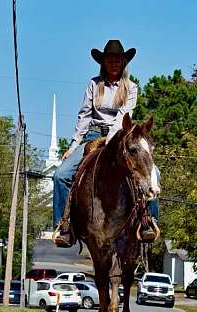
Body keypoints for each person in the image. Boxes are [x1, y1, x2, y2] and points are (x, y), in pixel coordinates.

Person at [52, 39, 158, 247]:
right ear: (103, 62)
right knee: (61, 175)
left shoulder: (131, 87)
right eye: (109, 59)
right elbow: (84, 116)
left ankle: (148, 222)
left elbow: (122, 117)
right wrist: (73, 146)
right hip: (92, 135)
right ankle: (64, 225)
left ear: (123, 62)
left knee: (156, 174)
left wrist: (111, 142)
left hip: (119, 137)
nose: (113, 63)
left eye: (118, 59)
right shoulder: (94, 84)